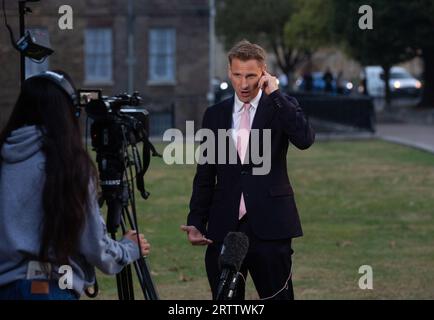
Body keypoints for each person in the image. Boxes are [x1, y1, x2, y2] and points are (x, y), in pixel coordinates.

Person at [181, 40, 315, 300]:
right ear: (229, 73)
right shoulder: (215, 115)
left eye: (251, 75)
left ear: (264, 73)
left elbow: (304, 139)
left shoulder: (280, 106)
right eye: (237, 75)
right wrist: (196, 220)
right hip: (224, 227)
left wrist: (275, 94)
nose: (243, 84)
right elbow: (206, 173)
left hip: (271, 226)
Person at [0, 70, 150, 300]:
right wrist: (128, 249)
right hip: (52, 288)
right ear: (68, 111)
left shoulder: (4, 156)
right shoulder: (68, 166)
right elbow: (94, 247)